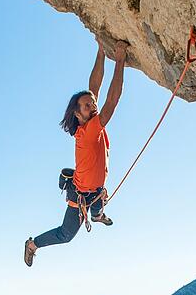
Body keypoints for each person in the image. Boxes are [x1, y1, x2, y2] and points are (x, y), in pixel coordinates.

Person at [24, 38, 129, 267]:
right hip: (82, 194)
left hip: (95, 189)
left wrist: (101, 50)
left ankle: (97, 215)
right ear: (78, 115)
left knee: (98, 201)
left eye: (92, 104)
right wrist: (120, 60)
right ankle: (32, 244)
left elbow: (95, 88)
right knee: (66, 235)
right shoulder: (90, 130)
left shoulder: (87, 123)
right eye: (87, 106)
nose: (93, 106)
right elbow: (111, 101)